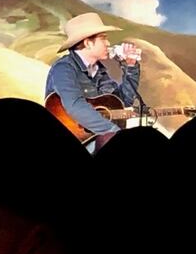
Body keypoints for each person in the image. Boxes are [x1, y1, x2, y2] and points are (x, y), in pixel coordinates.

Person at [45, 12, 142, 152]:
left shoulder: (100, 71)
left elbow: (123, 102)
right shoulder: (64, 68)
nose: (108, 43)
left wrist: (131, 66)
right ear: (88, 43)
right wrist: (114, 132)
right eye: (103, 38)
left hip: (96, 139)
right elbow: (75, 105)